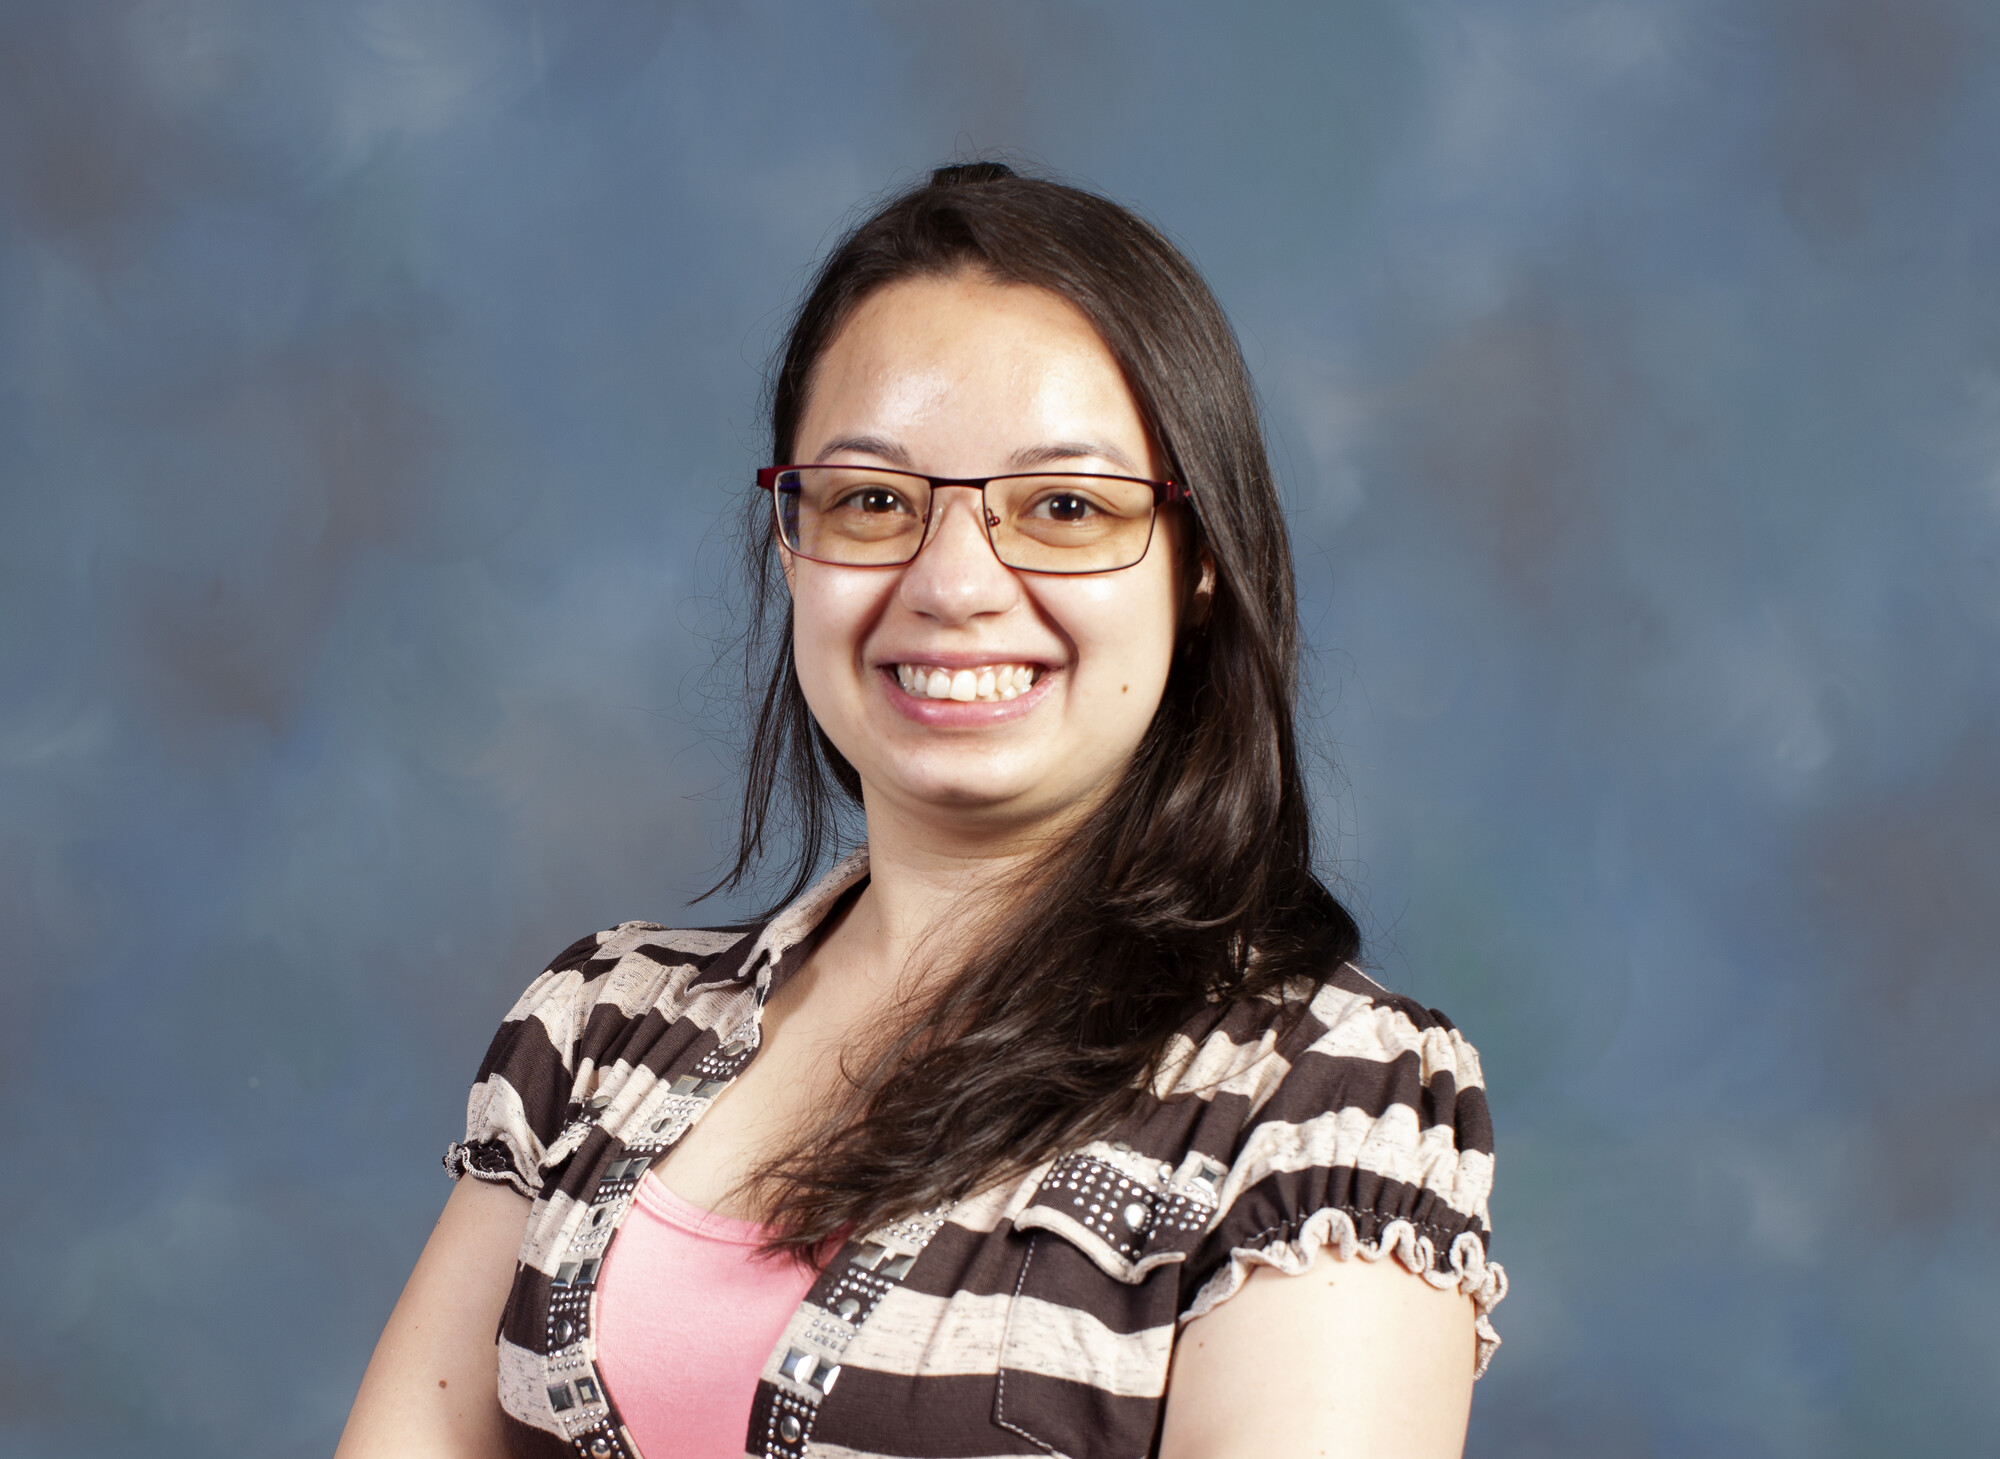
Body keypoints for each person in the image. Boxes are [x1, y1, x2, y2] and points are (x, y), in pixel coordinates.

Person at [335, 162, 1504, 1459]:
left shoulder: (1326, 1108)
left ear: (1203, 567)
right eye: (874, 500)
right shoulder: (595, 1036)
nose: (953, 583)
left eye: (1064, 507)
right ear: (791, 546)